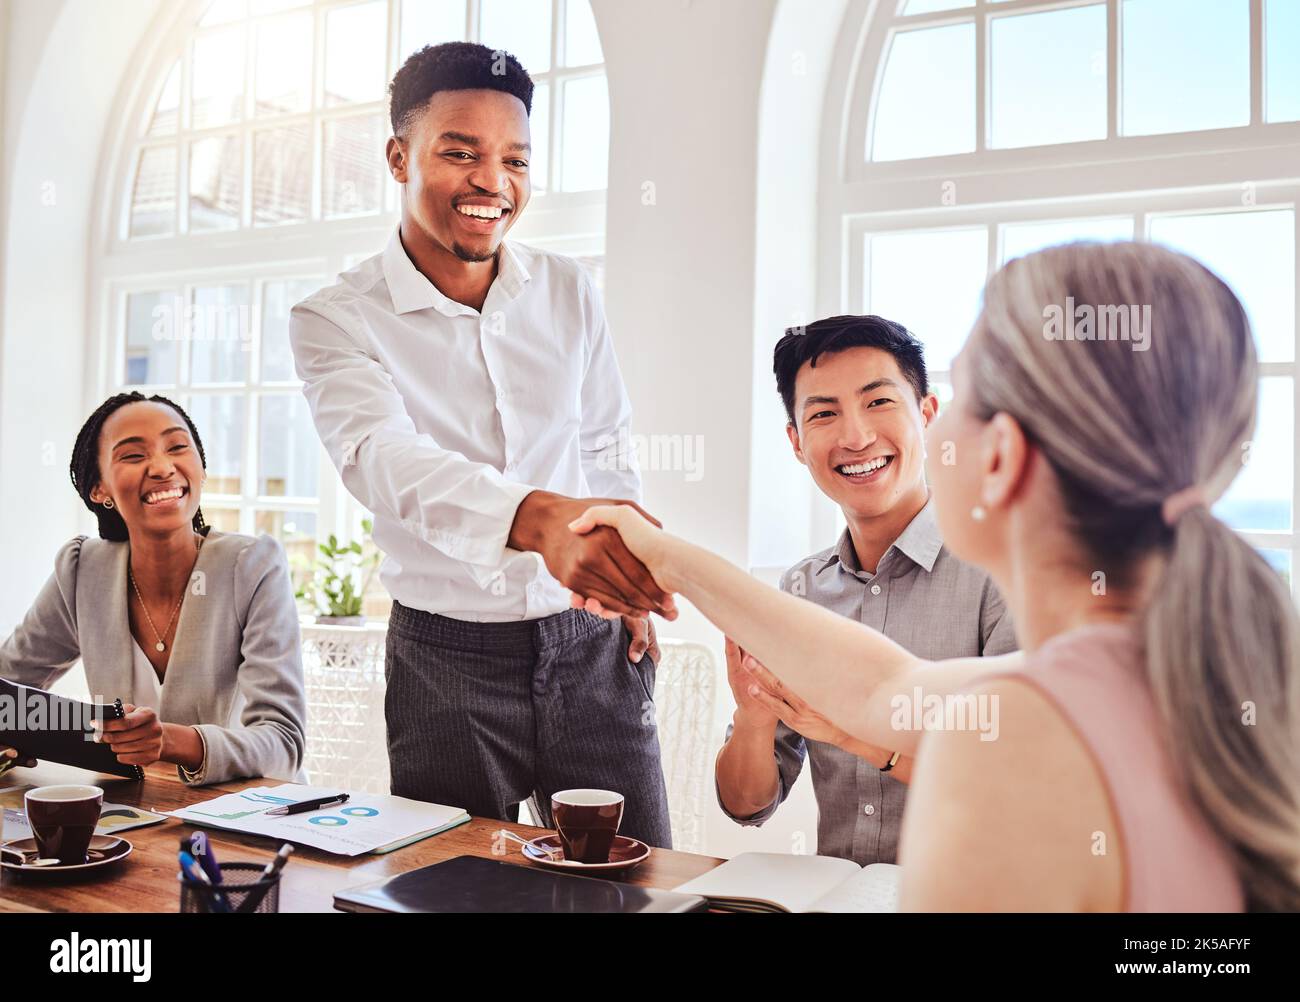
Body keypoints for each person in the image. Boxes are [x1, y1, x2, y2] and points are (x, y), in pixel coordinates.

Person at [569, 241, 1300, 911]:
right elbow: (884, 686)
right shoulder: (1210, 662)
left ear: (999, 456)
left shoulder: (1013, 739)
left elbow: (900, 697)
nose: (867, 435)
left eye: (958, 400)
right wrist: (660, 555)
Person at [289, 42, 675, 845]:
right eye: (459, 153)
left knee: (638, 883)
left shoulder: (568, 289)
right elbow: (380, 459)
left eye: (515, 160)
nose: (492, 184)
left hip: (589, 639)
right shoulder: (335, 316)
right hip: (444, 659)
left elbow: (604, 439)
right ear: (399, 158)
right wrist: (533, 521)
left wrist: (625, 575)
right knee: (457, 891)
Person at [715, 316, 1015, 864]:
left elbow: (1008, 787)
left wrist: (858, 738)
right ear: (797, 443)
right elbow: (746, 807)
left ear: (927, 415)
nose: (855, 437)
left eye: (878, 402)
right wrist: (753, 715)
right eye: (824, 414)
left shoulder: (1002, 574)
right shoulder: (800, 591)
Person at [0, 393, 307, 786]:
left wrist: (171, 741)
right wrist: (28, 735)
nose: (162, 467)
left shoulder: (252, 565)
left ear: (200, 468)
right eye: (132, 455)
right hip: (138, 812)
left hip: (253, 815)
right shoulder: (82, 571)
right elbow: (8, 695)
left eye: (178, 447)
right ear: (99, 489)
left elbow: (283, 743)